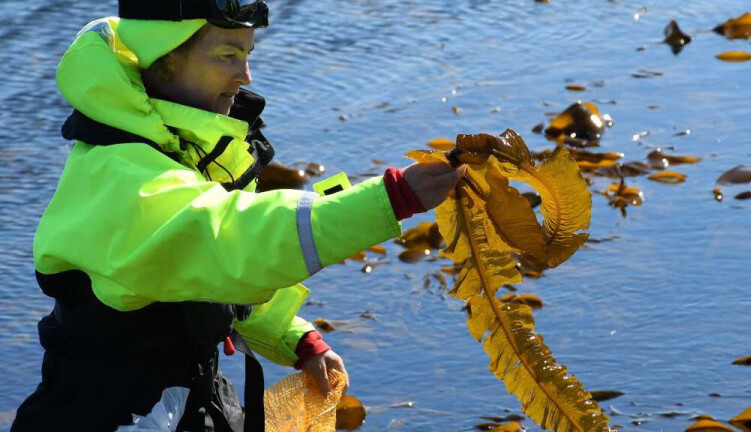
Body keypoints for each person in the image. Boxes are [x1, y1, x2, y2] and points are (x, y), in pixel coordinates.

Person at [12, 0, 463, 430]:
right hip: (114, 416)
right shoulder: (123, 176)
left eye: (247, 54)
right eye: (227, 56)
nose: (244, 75)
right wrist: (391, 198)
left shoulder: (179, 145)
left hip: (187, 400)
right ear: (164, 60)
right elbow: (234, 238)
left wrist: (295, 340)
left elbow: (211, 275)